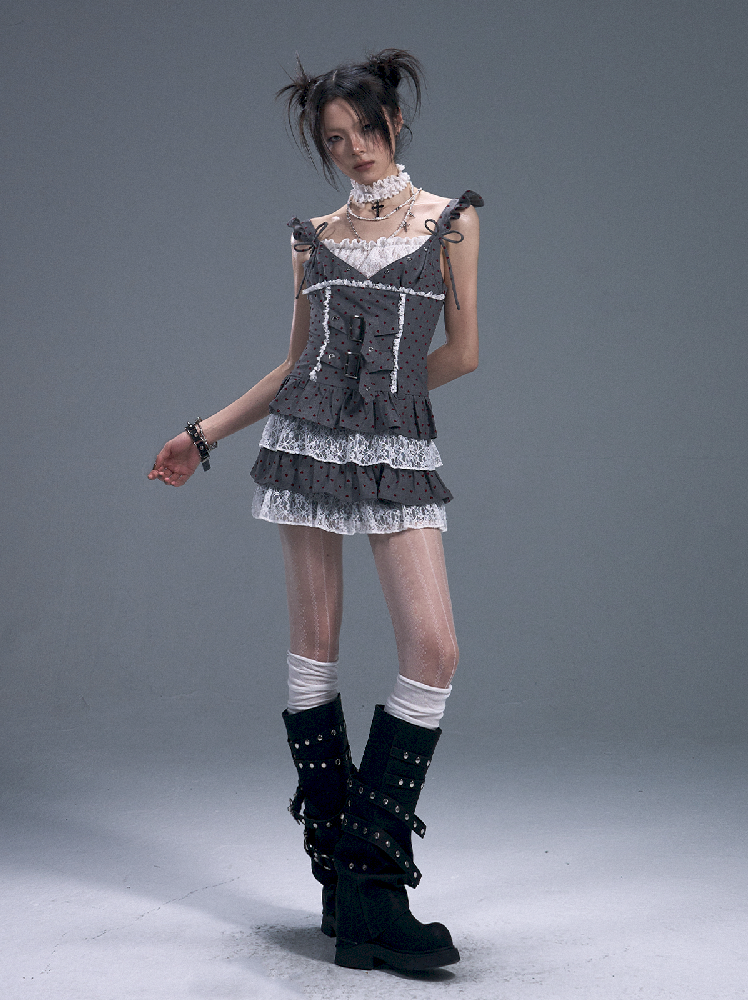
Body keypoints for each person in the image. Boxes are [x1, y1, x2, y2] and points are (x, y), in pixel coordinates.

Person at [148, 48, 482, 973]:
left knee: (434, 649)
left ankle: (369, 873)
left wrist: (384, 400)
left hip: (394, 441)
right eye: (336, 140)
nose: (356, 150)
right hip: (303, 442)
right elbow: (296, 364)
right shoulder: (314, 237)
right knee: (315, 650)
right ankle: (346, 886)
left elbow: (464, 351)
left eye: (367, 130)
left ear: (395, 122)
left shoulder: (450, 220)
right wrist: (203, 434)